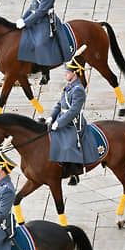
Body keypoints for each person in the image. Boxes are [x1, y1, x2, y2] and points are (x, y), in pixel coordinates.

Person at [16, 0, 61, 86]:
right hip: (35, 18)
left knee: (40, 44)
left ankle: (45, 73)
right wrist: (22, 19)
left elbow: (41, 12)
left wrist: (26, 22)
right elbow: (32, 7)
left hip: (44, 21)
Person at [47, 54, 88, 186]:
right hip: (62, 118)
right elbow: (60, 104)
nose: (66, 74)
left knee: (67, 145)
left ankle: (73, 173)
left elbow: (73, 111)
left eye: (68, 72)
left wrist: (59, 123)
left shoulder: (78, 90)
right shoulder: (68, 87)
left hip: (73, 122)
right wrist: (52, 117)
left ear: (75, 74)